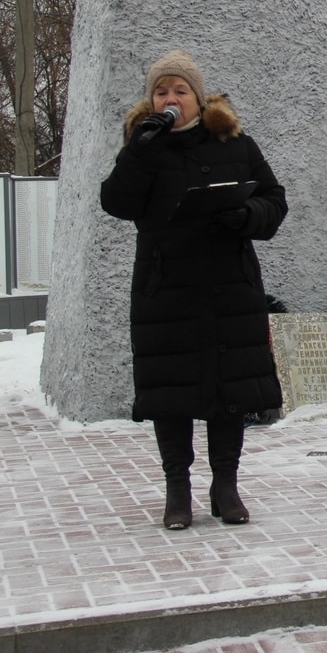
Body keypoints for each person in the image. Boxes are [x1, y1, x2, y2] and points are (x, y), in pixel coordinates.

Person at [100, 50, 288, 529]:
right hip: (167, 289)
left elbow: (274, 200)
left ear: (198, 99)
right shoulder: (143, 145)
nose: (171, 98)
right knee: (173, 391)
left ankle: (225, 485)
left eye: (180, 91)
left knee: (230, 388)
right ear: (152, 99)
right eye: (162, 91)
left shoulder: (234, 140)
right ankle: (177, 491)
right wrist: (139, 150)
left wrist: (246, 216)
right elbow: (116, 201)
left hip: (229, 283)